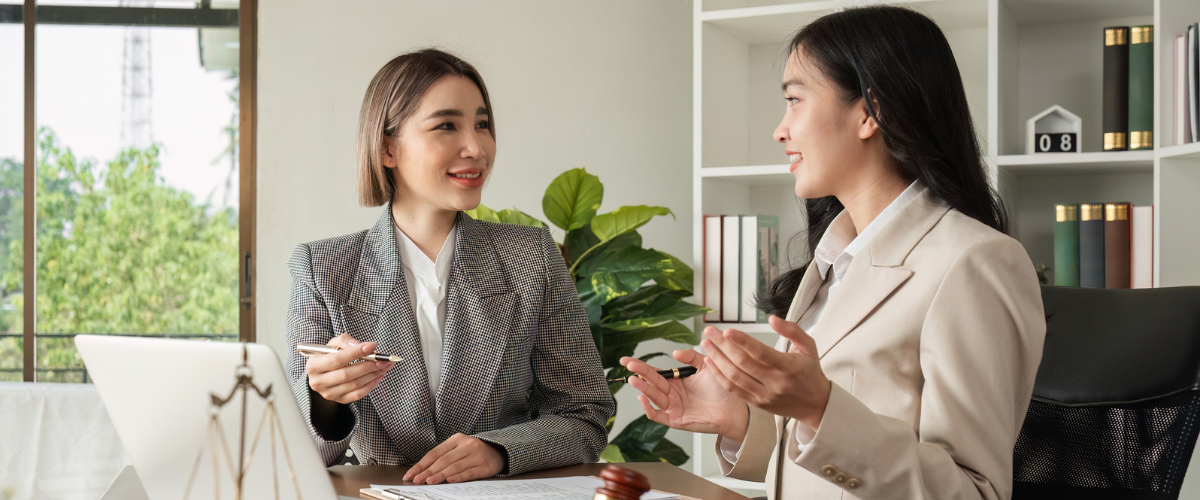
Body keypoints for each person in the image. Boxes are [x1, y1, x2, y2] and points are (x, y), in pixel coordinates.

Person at [621, 6, 1045, 499]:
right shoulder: (835, 259)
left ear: (871, 112)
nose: (780, 131)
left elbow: (975, 492)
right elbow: (823, 471)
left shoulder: (976, 261)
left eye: (795, 100)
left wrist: (820, 408)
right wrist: (738, 420)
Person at [285, 48, 613, 485]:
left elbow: (585, 414)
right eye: (446, 126)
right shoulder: (323, 268)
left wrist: (499, 451)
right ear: (387, 148)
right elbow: (294, 452)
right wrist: (327, 402)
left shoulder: (532, 257)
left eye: (482, 124)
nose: (477, 148)